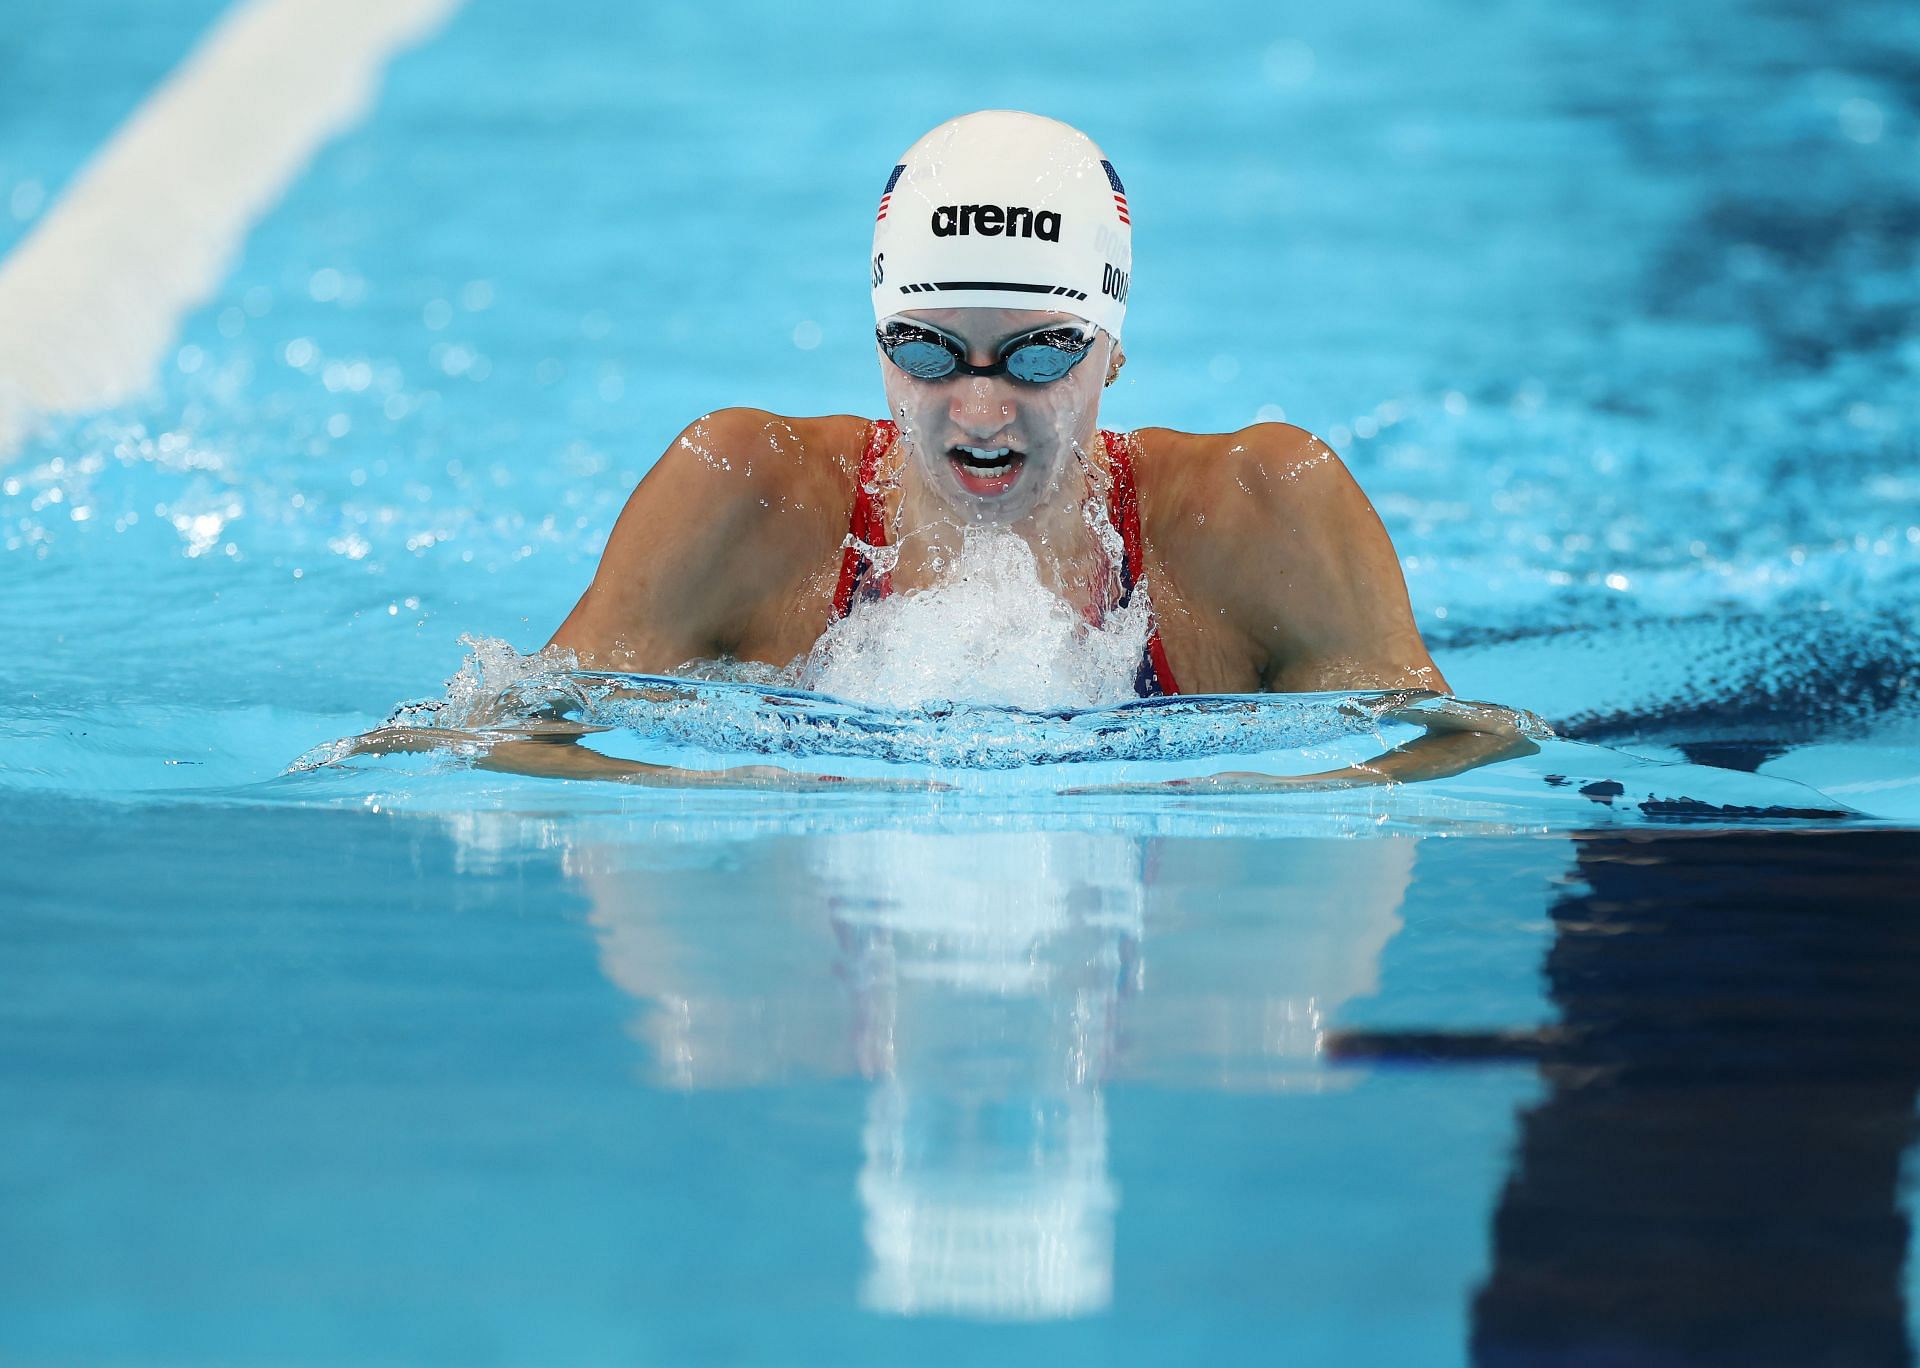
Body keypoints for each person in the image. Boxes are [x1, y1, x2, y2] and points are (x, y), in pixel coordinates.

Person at [509, 111, 1533, 787]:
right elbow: (498, 736)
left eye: (1039, 356)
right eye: (928, 351)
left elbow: (1475, 748)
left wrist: (1252, 798)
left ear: (1113, 348)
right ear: (876, 345)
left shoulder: (1266, 512)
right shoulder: (739, 493)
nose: (982, 409)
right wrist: (730, 797)